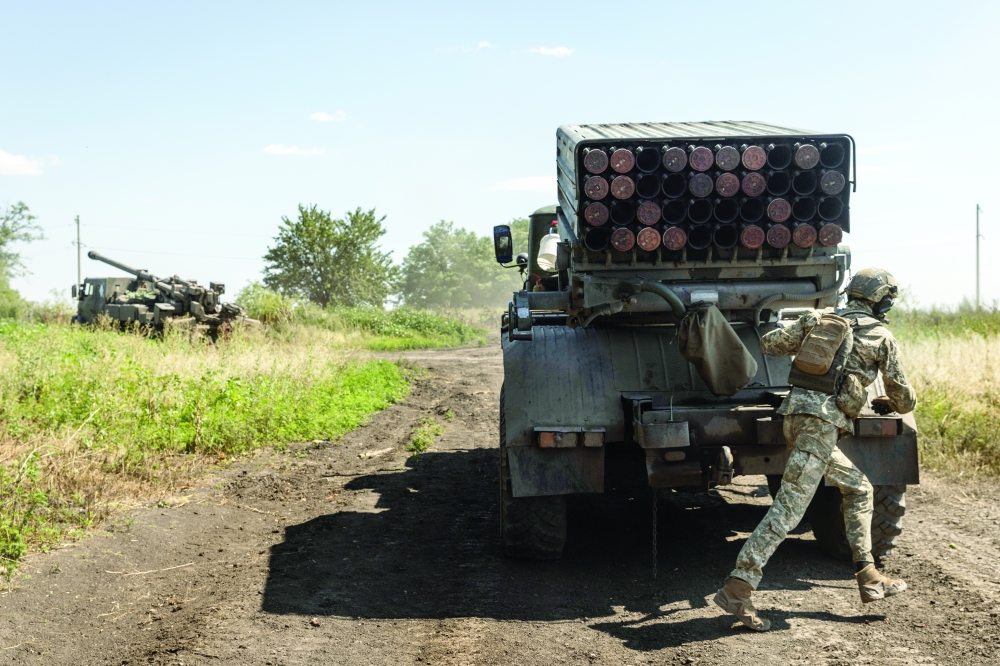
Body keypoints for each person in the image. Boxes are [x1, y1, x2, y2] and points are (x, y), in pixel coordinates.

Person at [714, 268, 918, 631]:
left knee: (858, 487)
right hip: (821, 426)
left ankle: (868, 575)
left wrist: (806, 323)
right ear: (881, 301)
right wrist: (888, 400)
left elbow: (770, 345)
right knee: (788, 511)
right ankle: (738, 586)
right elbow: (904, 399)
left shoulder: (823, 319)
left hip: (796, 418)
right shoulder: (881, 336)